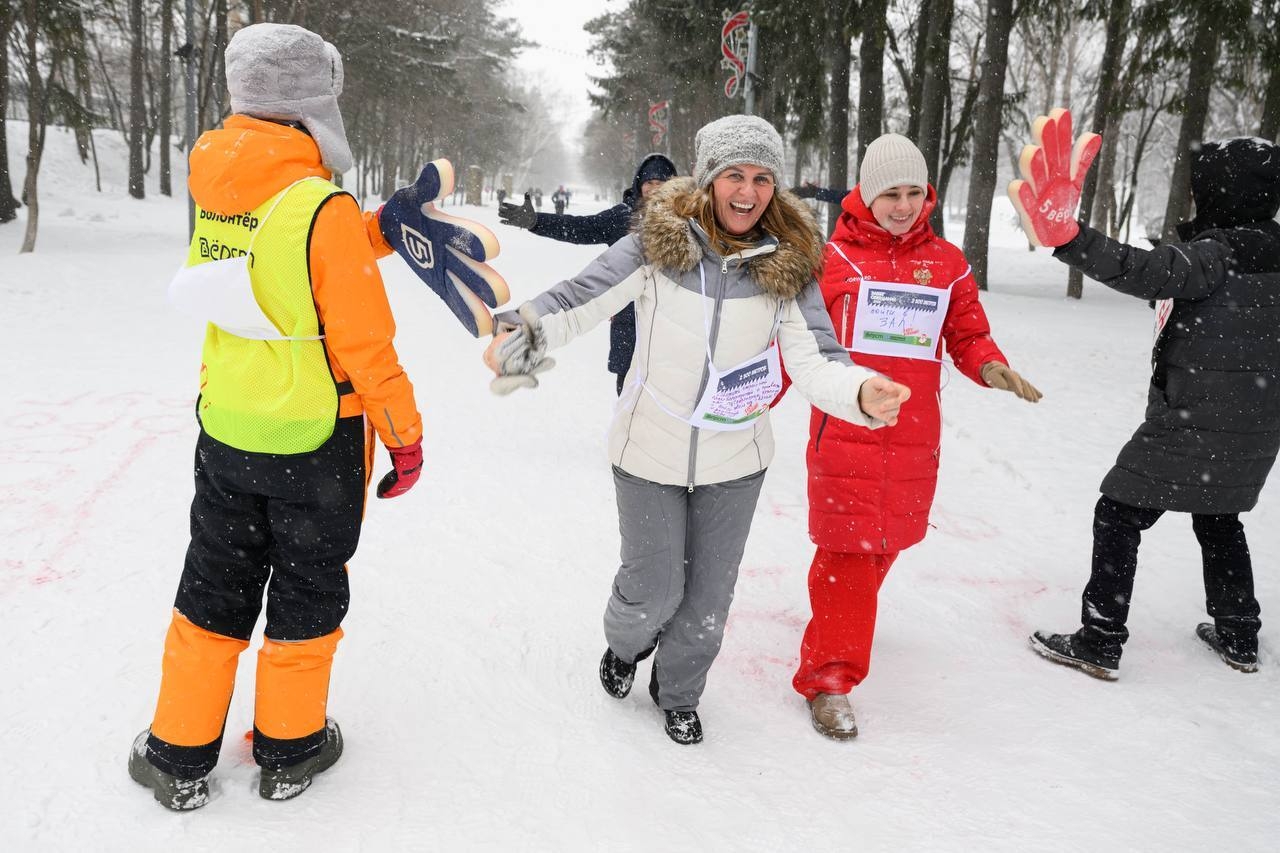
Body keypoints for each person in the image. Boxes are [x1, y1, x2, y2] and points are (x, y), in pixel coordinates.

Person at [484, 115, 911, 745]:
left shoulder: (789, 263)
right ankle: (626, 647)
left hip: (736, 459)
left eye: (763, 177)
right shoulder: (658, 244)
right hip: (648, 448)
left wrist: (860, 392)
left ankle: (679, 691)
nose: (748, 191)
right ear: (709, 178)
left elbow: (817, 358)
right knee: (652, 590)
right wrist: (526, 329)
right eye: (735, 174)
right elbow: (582, 296)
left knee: (708, 601)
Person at [130, 23, 426, 810]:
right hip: (313, 443)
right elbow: (364, 339)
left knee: (213, 584)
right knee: (305, 589)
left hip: (228, 427)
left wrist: (375, 233)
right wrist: (404, 433)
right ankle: (290, 746)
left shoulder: (216, 185)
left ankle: (178, 750)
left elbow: (273, 268)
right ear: (310, 100)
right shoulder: (320, 204)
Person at [1012, 112, 1280, 680]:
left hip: (1192, 423)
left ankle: (1100, 638)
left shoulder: (1216, 256)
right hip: (1256, 431)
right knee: (1219, 515)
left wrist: (1070, 236)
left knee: (1118, 510)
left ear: (1218, 195)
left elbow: (1142, 269)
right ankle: (1238, 633)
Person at [792, 133, 1042, 740]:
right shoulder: (831, 260)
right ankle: (828, 677)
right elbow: (794, 338)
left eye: (913, 193)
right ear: (864, 196)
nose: (902, 206)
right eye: (889, 194)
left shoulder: (948, 263)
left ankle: (837, 621)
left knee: (883, 541)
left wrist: (988, 364)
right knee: (848, 551)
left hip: (912, 432)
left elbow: (965, 332)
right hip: (847, 426)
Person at [498, 153, 679, 394]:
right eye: (649, 183)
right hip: (628, 327)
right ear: (639, 184)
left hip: (672, 328)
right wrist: (535, 221)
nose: (655, 189)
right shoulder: (621, 217)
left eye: (661, 183)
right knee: (628, 401)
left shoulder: (685, 221)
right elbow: (580, 227)